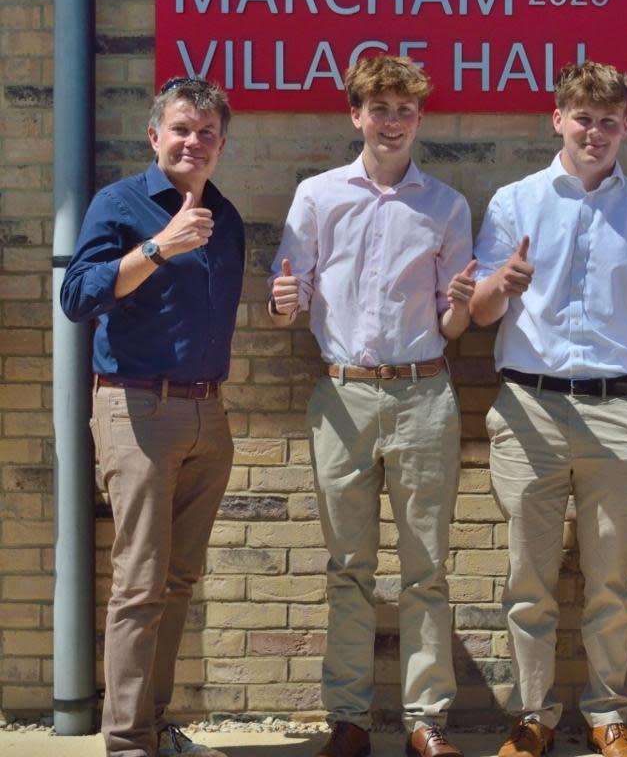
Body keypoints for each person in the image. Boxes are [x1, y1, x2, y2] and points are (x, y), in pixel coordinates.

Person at [267, 55, 475, 757]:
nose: (392, 121)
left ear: (421, 118)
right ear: (355, 114)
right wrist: (283, 303)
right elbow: (286, 297)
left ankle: (426, 721)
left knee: (427, 568)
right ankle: (349, 718)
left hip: (424, 393)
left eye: (405, 109)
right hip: (344, 393)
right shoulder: (318, 197)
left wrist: (463, 310)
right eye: (379, 108)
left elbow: (454, 324)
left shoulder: (445, 205)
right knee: (348, 567)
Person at [469, 61, 627, 757]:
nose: (595, 131)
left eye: (609, 120)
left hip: (618, 411)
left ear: (625, 128)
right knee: (529, 578)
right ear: (558, 119)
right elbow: (477, 311)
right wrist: (504, 282)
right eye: (583, 117)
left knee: (610, 579)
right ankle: (534, 716)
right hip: (530, 407)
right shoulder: (514, 202)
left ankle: (608, 714)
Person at [60, 77, 242, 757]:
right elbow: (78, 296)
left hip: (206, 414)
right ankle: (128, 745)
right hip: (137, 406)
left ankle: (153, 724)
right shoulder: (122, 203)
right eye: (182, 129)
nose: (194, 141)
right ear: (155, 135)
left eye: (207, 133)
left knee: (179, 579)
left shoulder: (223, 214)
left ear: (221, 144)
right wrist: (159, 245)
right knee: (140, 584)